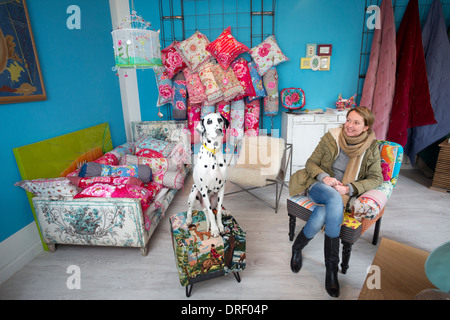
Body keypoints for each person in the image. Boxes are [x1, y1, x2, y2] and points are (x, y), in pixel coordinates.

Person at [288, 106, 383, 297]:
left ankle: (297, 248)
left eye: (356, 122)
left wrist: (349, 188)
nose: (349, 125)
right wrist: (324, 178)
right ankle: (332, 269)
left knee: (324, 211)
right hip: (318, 186)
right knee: (333, 197)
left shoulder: (372, 147)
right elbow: (311, 163)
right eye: (348, 120)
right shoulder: (332, 137)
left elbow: (376, 178)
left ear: (366, 127)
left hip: (344, 192)